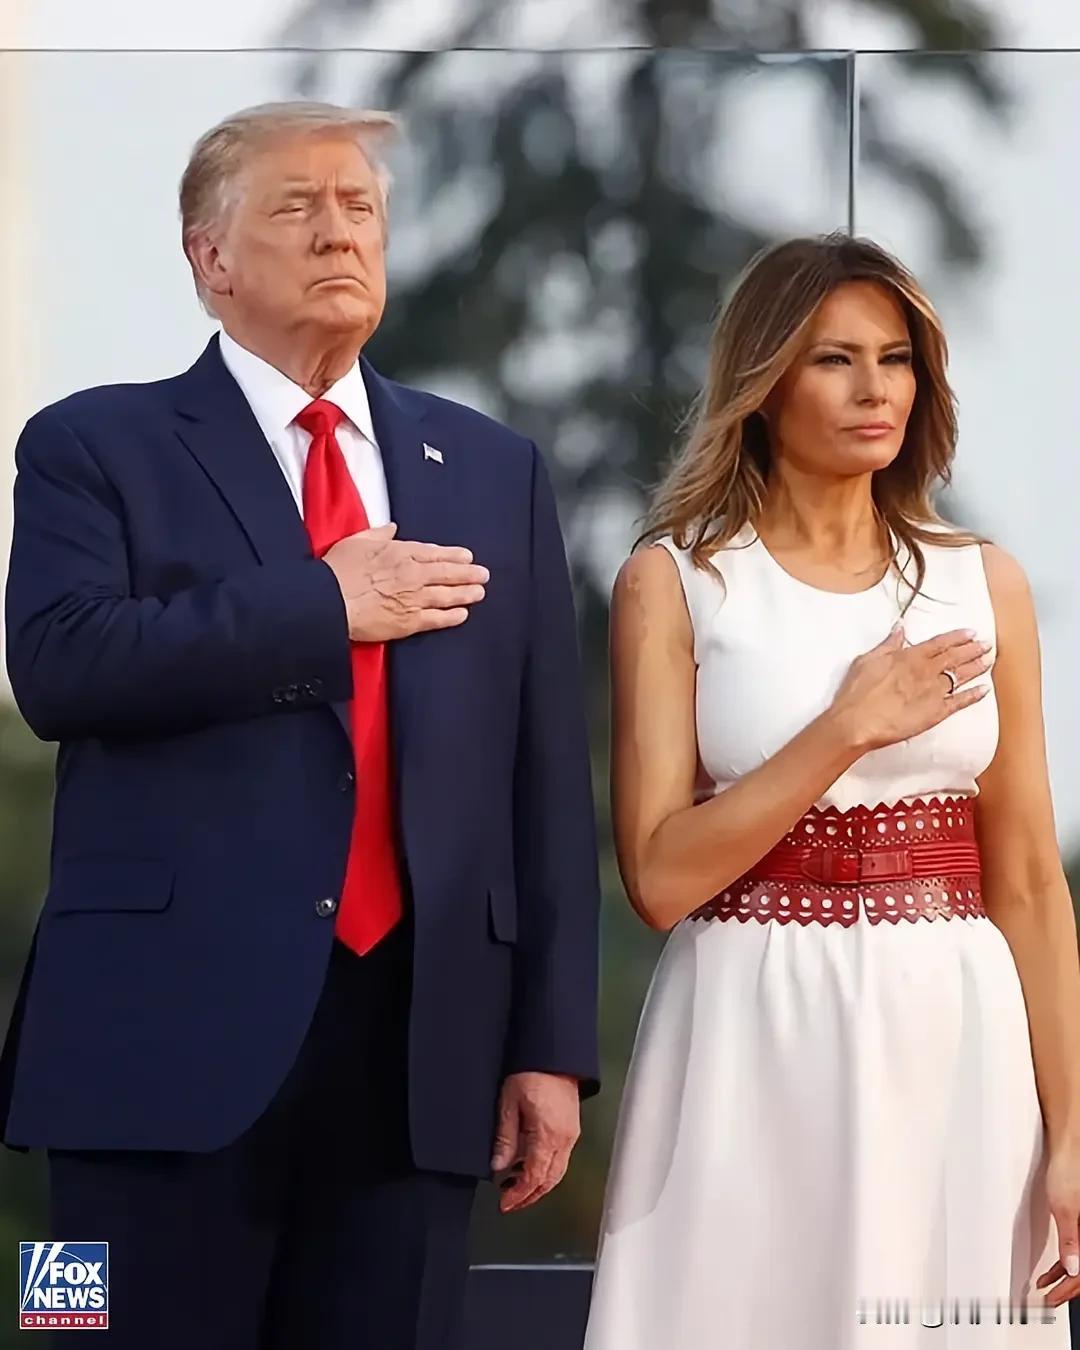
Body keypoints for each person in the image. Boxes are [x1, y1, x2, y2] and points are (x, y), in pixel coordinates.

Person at [0, 101, 601, 1350]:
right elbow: (60, 666)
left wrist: (549, 1047)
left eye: (360, 207)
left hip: (420, 1056)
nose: (340, 233)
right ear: (210, 255)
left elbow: (542, 781)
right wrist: (322, 606)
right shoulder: (93, 444)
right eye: (297, 206)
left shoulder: (493, 468)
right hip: (153, 1056)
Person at [584, 234, 1080, 1348]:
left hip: (954, 1034)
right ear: (764, 384)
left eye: (895, 360)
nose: (875, 390)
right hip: (749, 1028)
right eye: (834, 360)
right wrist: (846, 726)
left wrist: (1073, 1134)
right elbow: (658, 878)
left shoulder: (981, 581)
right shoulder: (675, 581)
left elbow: (1030, 885)